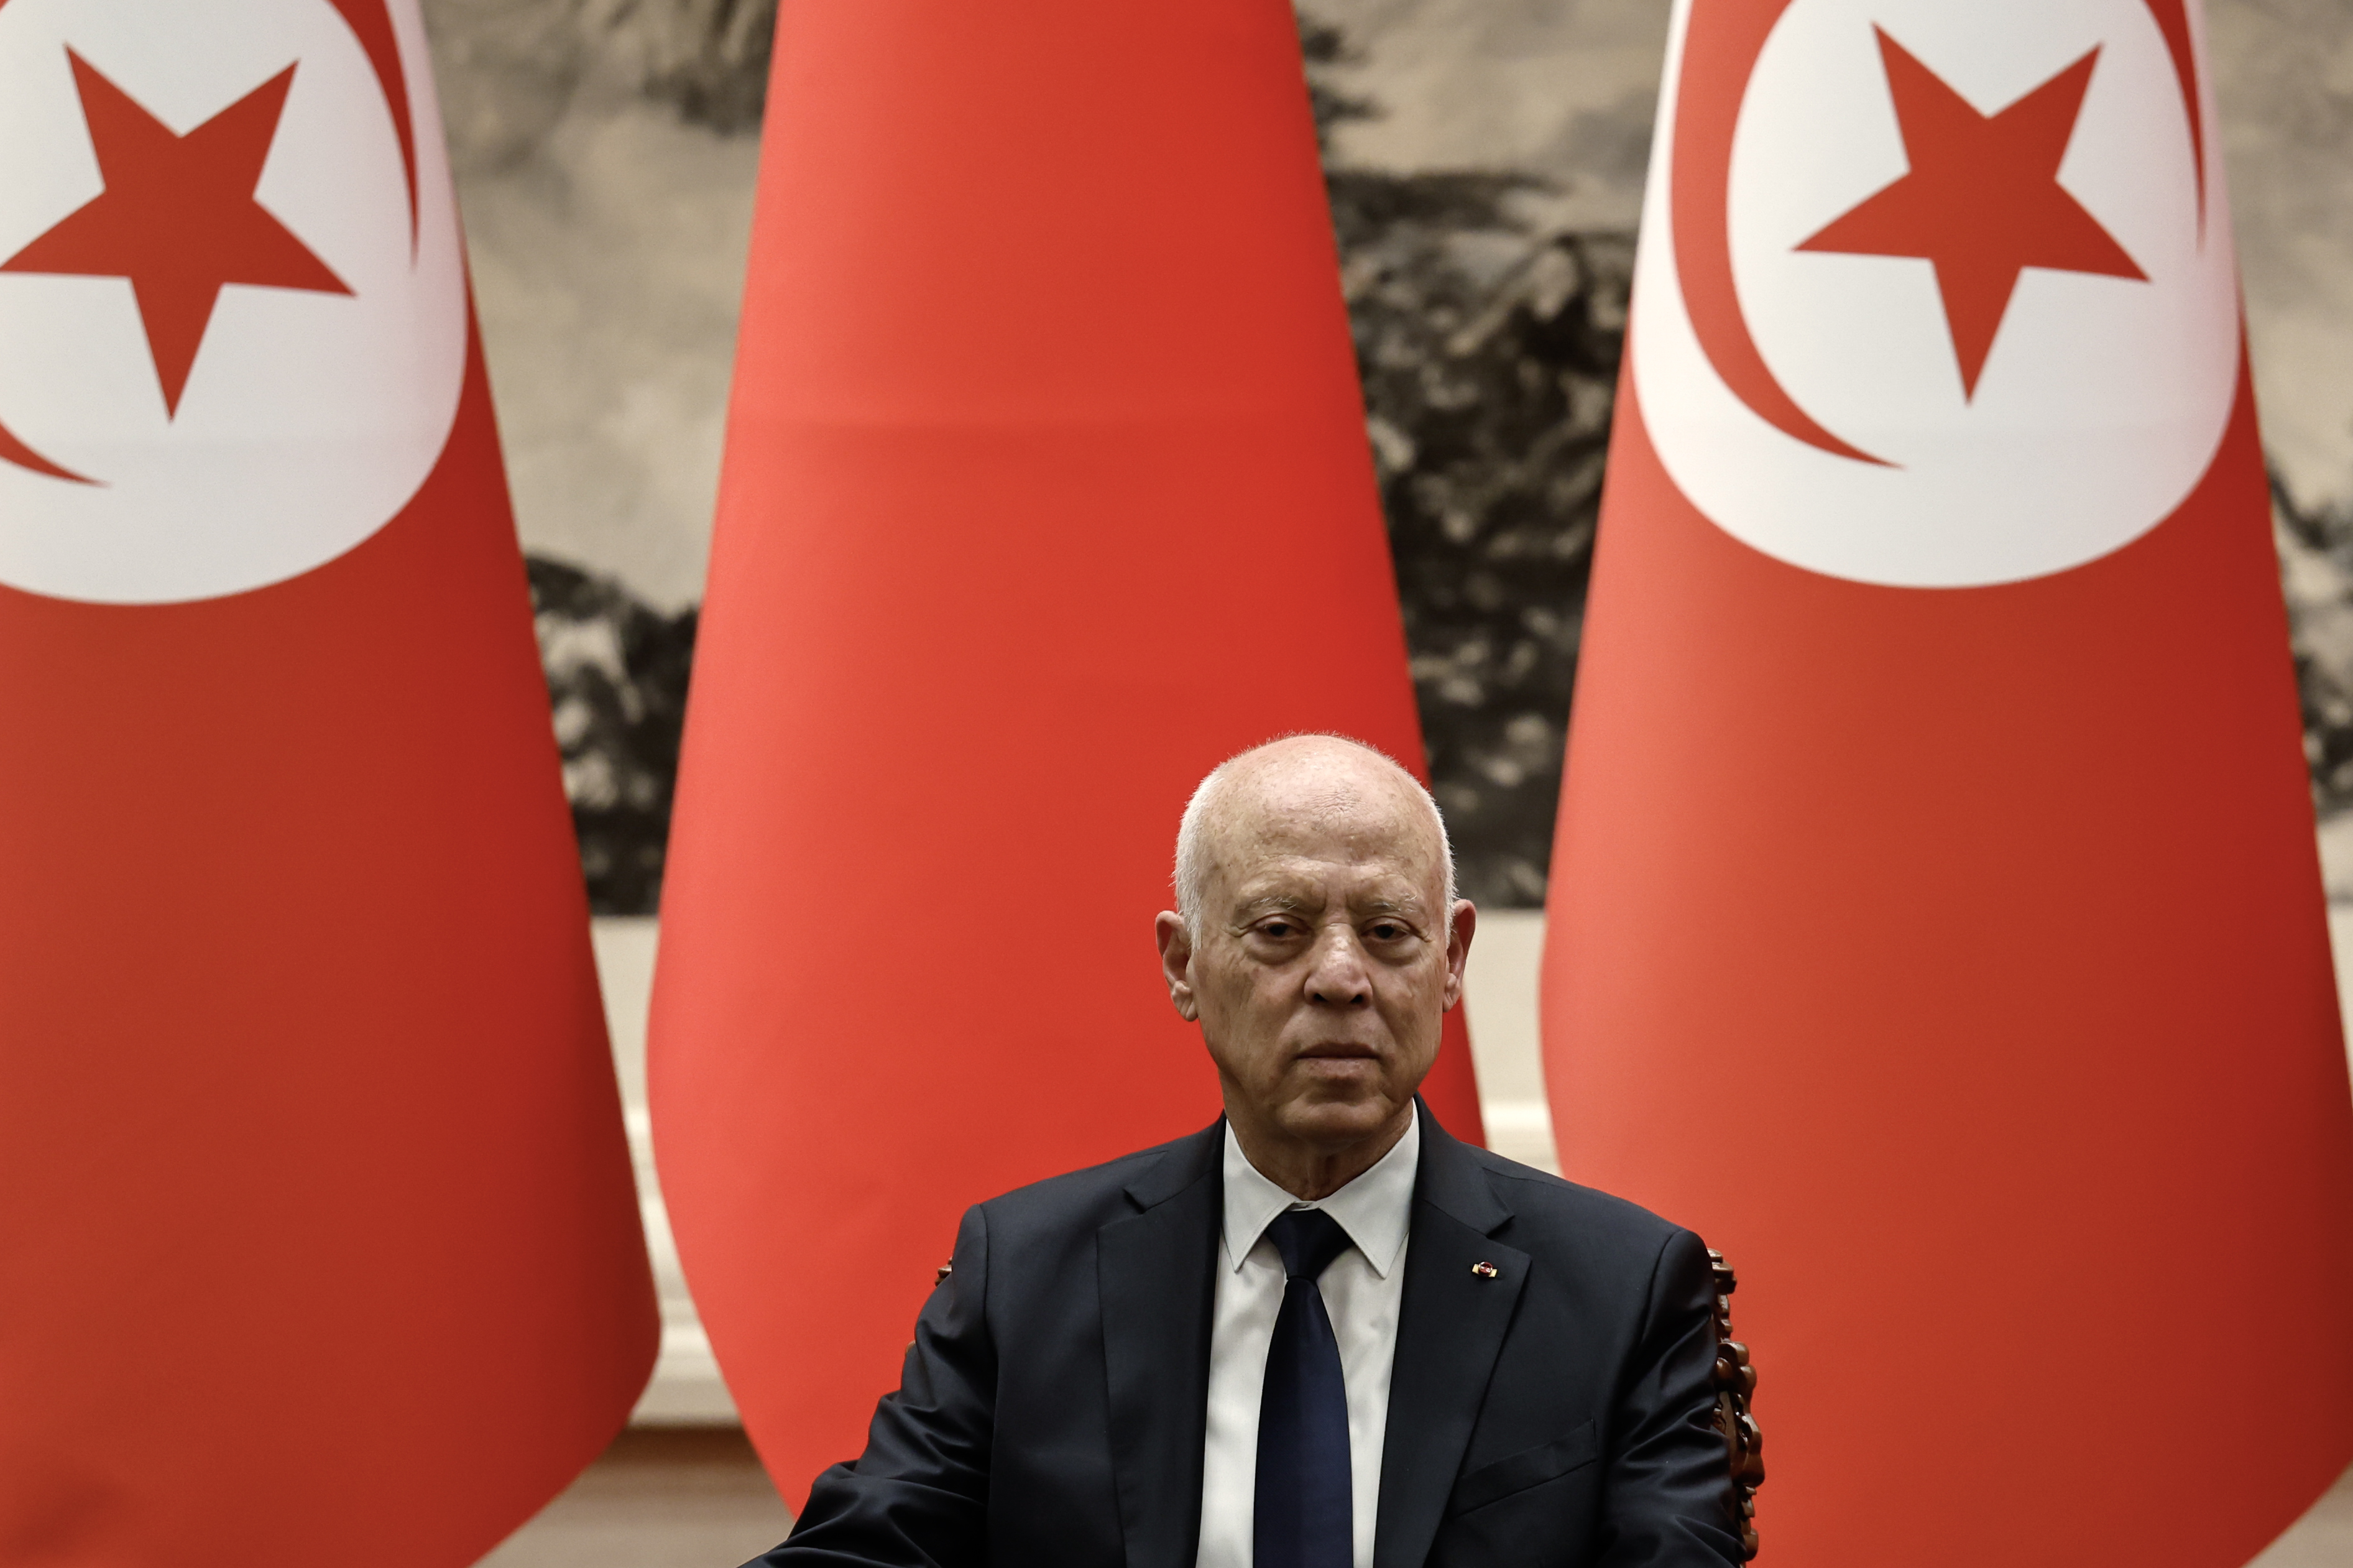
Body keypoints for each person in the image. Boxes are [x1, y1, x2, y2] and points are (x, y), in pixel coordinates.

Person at [747, 735, 1742, 1567]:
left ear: (1450, 959)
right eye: (1280, 929)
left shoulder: (1621, 1288)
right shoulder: (1027, 1275)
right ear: (1184, 964)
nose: (1341, 976)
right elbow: (870, 1548)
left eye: (1389, 930)